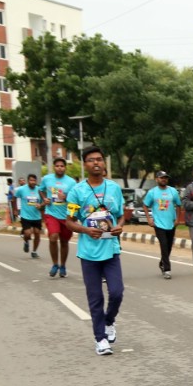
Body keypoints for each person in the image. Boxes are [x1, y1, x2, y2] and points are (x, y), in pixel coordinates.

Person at [64, 146, 125, 356]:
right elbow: (69, 221)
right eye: (91, 160)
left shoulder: (114, 188)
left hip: (111, 249)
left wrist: (120, 226)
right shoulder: (77, 191)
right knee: (95, 297)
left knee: (117, 292)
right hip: (89, 252)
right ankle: (100, 339)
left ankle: (109, 321)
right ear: (85, 164)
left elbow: (121, 214)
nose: (96, 163)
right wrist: (85, 230)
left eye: (100, 159)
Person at [40, 157, 77, 278]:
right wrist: (44, 198)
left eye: (62, 166)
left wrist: (65, 197)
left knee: (64, 242)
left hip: (66, 216)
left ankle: (63, 266)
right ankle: (55, 264)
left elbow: (75, 199)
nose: (59, 168)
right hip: (51, 213)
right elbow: (41, 190)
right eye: (57, 166)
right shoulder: (47, 179)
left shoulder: (71, 182)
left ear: (65, 168)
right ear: (54, 167)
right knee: (53, 237)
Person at [143, 171, 181, 278]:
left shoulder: (173, 191)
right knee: (163, 244)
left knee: (168, 246)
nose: (163, 179)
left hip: (171, 223)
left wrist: (177, 219)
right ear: (156, 179)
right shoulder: (152, 192)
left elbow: (178, 205)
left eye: (165, 178)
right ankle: (167, 270)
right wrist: (149, 219)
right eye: (161, 178)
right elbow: (145, 205)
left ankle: (162, 263)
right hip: (158, 224)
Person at [14, 173, 44, 259]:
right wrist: (15, 210)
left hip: (37, 216)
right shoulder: (22, 189)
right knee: (27, 233)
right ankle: (26, 242)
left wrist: (41, 205)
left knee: (37, 233)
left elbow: (44, 201)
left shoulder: (39, 190)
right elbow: (14, 198)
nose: (33, 182)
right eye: (31, 180)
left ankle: (34, 251)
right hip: (25, 216)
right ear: (28, 181)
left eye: (34, 180)